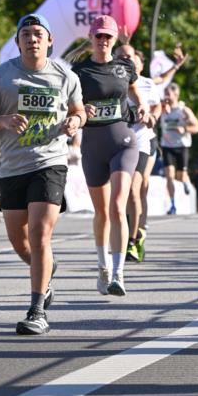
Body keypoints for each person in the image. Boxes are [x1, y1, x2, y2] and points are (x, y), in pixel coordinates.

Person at [0, 12, 85, 334]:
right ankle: (46, 270)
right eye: (26, 34)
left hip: (50, 162)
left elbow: (78, 112)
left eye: (38, 33)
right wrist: (3, 121)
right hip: (12, 167)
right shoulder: (0, 76)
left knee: (39, 234)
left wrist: (74, 122)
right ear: (17, 41)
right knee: (21, 243)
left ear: (50, 40)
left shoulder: (65, 76)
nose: (32, 39)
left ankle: (37, 310)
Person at [71, 15, 148, 296]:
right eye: (99, 36)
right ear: (91, 38)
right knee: (102, 212)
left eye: (108, 37)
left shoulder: (123, 67)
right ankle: (102, 266)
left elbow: (136, 93)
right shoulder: (78, 71)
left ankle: (118, 274)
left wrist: (144, 109)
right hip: (92, 145)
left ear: (115, 40)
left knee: (118, 206)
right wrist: (80, 112)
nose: (103, 41)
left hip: (124, 142)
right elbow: (69, 104)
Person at [113, 44, 162, 263]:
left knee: (135, 189)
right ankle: (127, 232)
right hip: (116, 142)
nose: (125, 59)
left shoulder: (146, 84)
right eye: (120, 56)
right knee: (122, 193)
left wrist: (152, 116)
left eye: (129, 56)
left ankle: (133, 240)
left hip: (142, 141)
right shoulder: (111, 81)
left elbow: (157, 107)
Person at [159, 82, 198, 214]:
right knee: (169, 176)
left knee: (181, 176)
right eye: (165, 93)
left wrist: (185, 128)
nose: (166, 95)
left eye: (168, 93)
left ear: (176, 94)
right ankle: (172, 205)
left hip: (182, 146)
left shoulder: (184, 110)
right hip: (167, 146)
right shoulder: (162, 108)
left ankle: (186, 182)